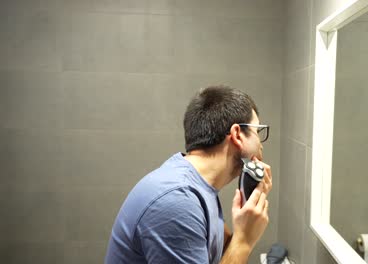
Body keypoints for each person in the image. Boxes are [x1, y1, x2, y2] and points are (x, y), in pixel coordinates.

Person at [105, 85, 273, 264]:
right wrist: (244, 240)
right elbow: (237, 248)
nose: (261, 144)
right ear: (237, 135)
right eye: (257, 132)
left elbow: (225, 254)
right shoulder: (177, 200)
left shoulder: (202, 187)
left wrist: (249, 213)